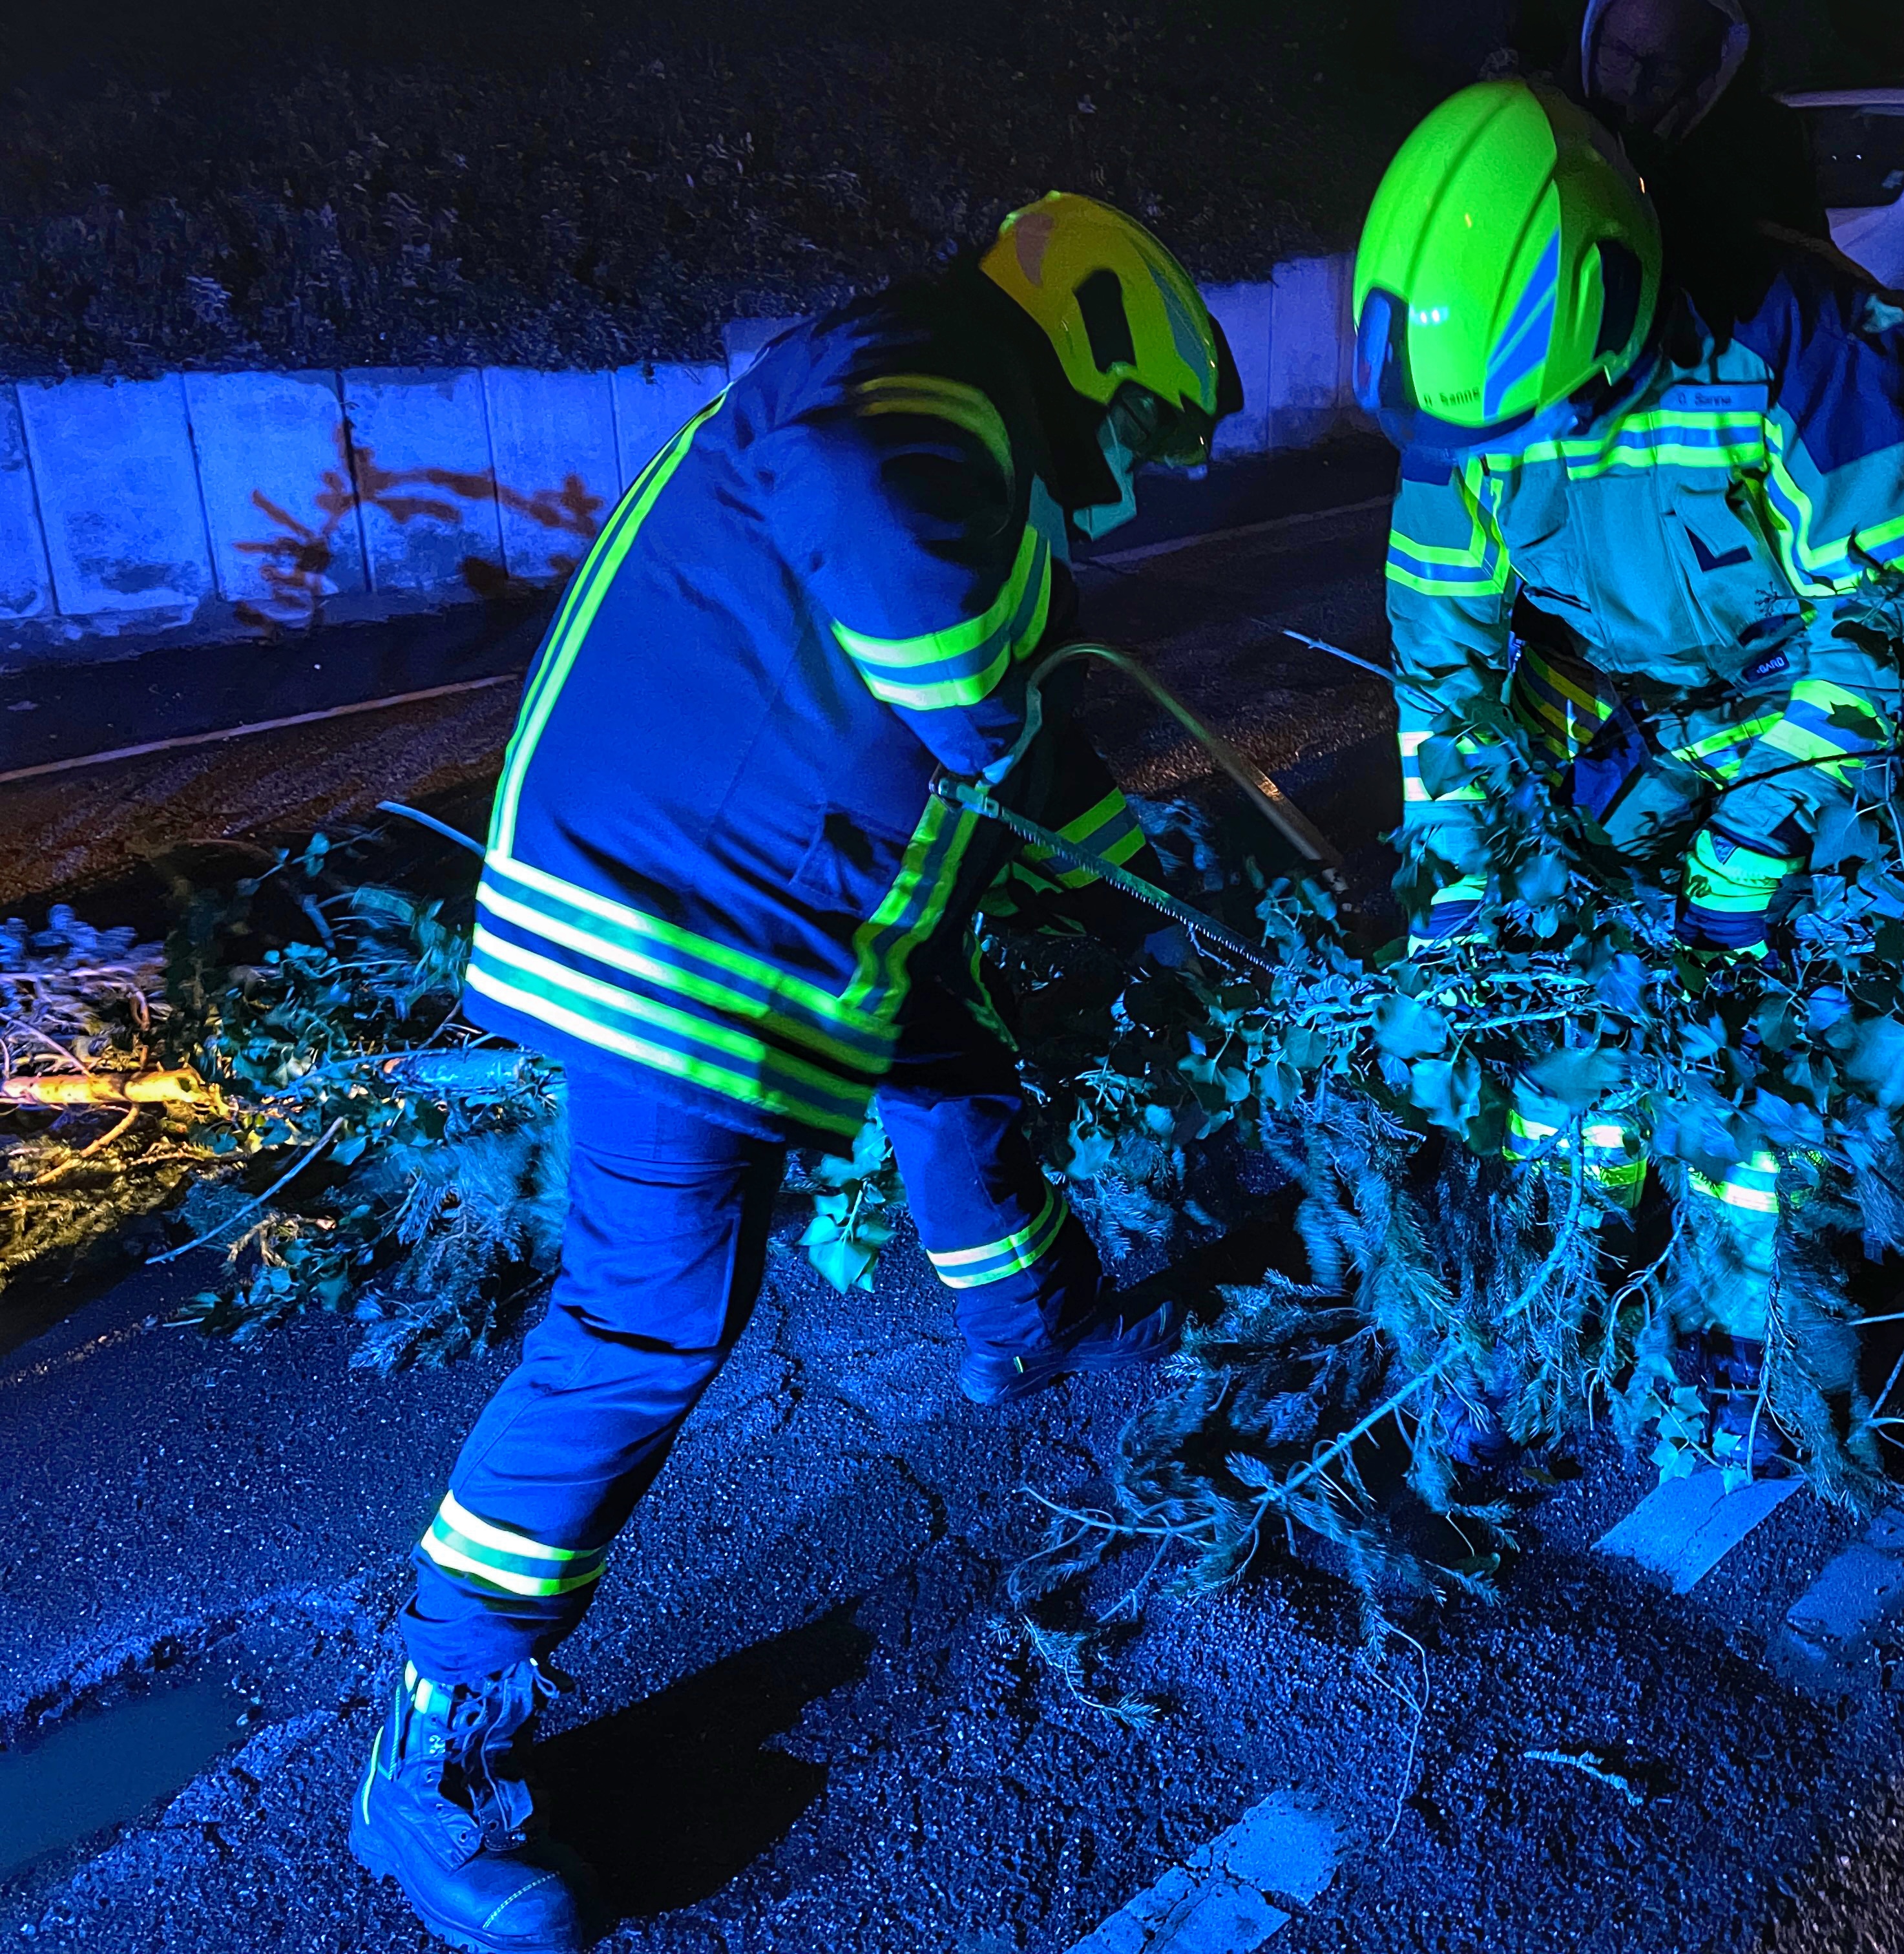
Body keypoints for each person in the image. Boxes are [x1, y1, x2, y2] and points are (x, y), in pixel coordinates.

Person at [347, 192, 1237, 1954]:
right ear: (1100, 336)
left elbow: (1013, 744)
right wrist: (992, 720)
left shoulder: (948, 406)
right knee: (653, 1313)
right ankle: (429, 1749)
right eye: (1145, 416)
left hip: (780, 905)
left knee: (951, 1051)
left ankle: (1025, 1312)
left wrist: (1141, 866)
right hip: (685, 920)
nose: (1136, 457)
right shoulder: (922, 374)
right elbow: (914, 602)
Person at [1354, 78, 1904, 1312]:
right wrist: (1458, 877)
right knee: (1553, 1006)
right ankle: (1579, 1270)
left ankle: (1756, 1321)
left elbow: (1889, 629)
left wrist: (1754, 840)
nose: (1512, 454)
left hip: (1796, 728)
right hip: (1609, 730)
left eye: (1541, 420)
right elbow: (1441, 664)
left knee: (1756, 1050)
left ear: (1612, 310)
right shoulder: (1466, 393)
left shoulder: (1809, 347)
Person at [1573, 0, 1834, 331]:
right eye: (1618, 54)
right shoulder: (1551, 134)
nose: (1634, 83)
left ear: (1707, 71)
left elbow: (1810, 286)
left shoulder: (1764, 150)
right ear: (1592, 40)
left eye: (1664, 67)